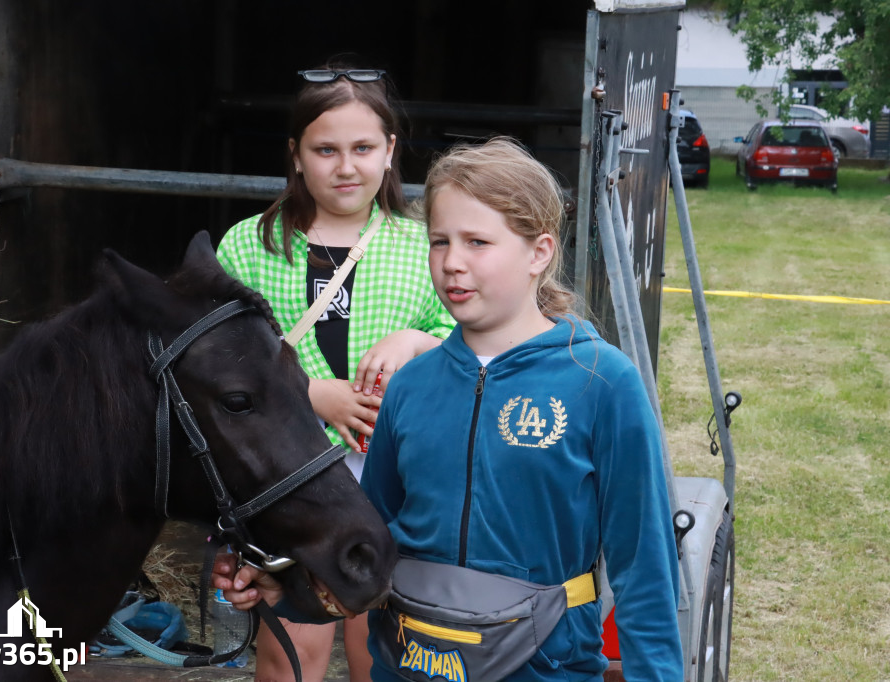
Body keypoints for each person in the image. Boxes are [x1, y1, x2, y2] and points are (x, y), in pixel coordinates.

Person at [214, 137, 684, 681]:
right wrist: (284, 584)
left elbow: (644, 566)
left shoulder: (602, 383)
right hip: (407, 664)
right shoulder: (409, 387)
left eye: (478, 242)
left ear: (540, 252)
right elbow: (371, 547)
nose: (452, 263)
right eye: (439, 242)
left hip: (546, 667)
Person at [214, 60, 454, 682]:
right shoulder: (248, 245)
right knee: (293, 648)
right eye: (325, 149)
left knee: (381, 646)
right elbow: (220, 353)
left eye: (362, 148)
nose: (346, 166)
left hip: (399, 473)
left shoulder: (424, 242)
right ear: (296, 155)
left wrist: (416, 339)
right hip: (290, 477)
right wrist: (310, 393)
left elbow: (469, 334)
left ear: (391, 151)